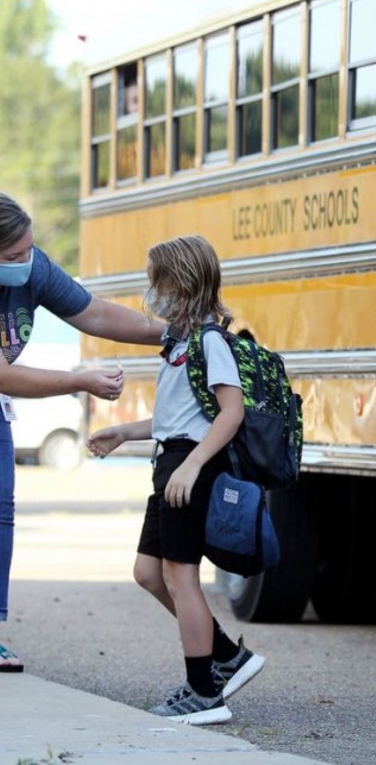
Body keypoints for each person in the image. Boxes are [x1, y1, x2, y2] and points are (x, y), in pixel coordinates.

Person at [87, 234, 264, 725]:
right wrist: (125, 431)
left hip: (191, 468)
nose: (152, 293)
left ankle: (205, 693)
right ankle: (227, 655)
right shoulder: (179, 342)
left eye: (157, 282)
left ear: (182, 283)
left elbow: (231, 413)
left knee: (180, 576)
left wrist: (191, 465)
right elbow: (175, 416)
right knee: (149, 573)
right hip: (171, 464)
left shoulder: (211, 341)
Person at [0, 192, 165, 673]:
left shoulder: (34, 268)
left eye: (29, 250)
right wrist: (80, 380)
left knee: (1, 516)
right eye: (12, 257)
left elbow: (95, 314)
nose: (24, 263)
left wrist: (174, 331)